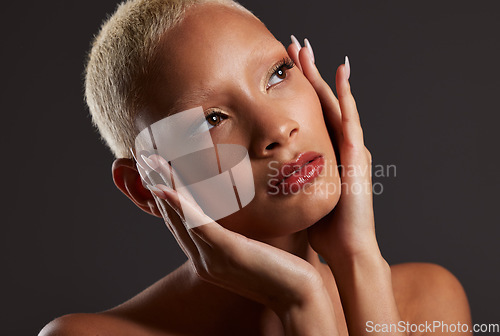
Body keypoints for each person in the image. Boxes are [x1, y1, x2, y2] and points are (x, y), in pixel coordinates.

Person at [39, 0, 472, 335]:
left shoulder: (428, 302)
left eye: (279, 73)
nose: (278, 128)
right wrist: (302, 304)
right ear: (145, 185)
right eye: (211, 119)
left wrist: (359, 263)